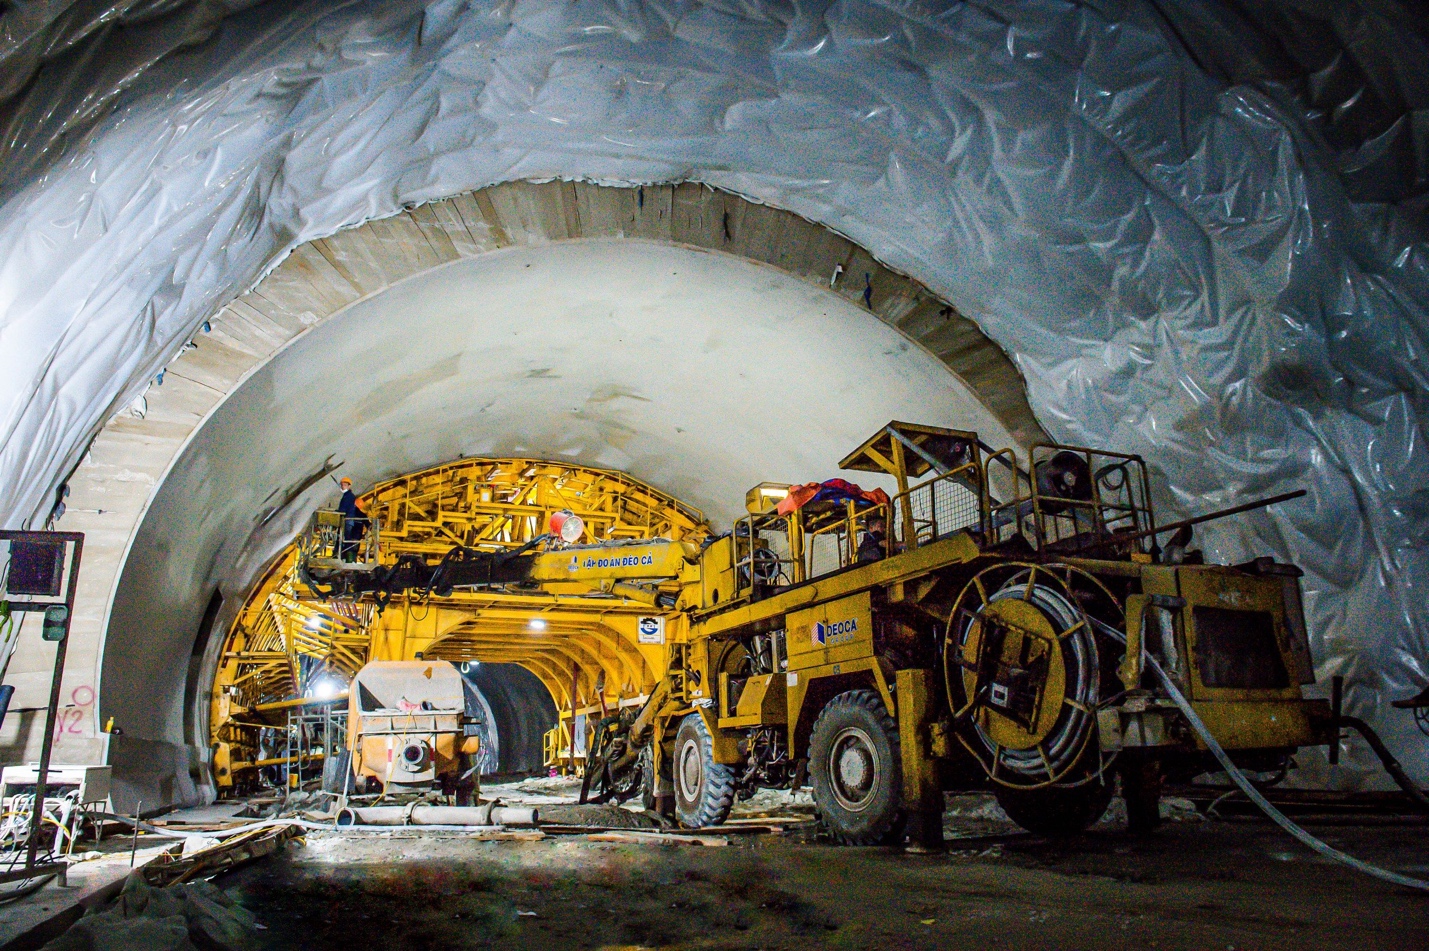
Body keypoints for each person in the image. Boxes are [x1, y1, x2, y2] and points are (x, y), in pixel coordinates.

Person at [337, 477, 367, 561]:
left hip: (347, 522)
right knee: (347, 543)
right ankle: (348, 560)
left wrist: (338, 512)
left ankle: (344, 558)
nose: (343, 487)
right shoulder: (362, 515)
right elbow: (368, 523)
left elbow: (343, 509)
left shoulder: (349, 496)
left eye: (345, 485)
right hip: (355, 536)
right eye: (342, 485)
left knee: (344, 541)